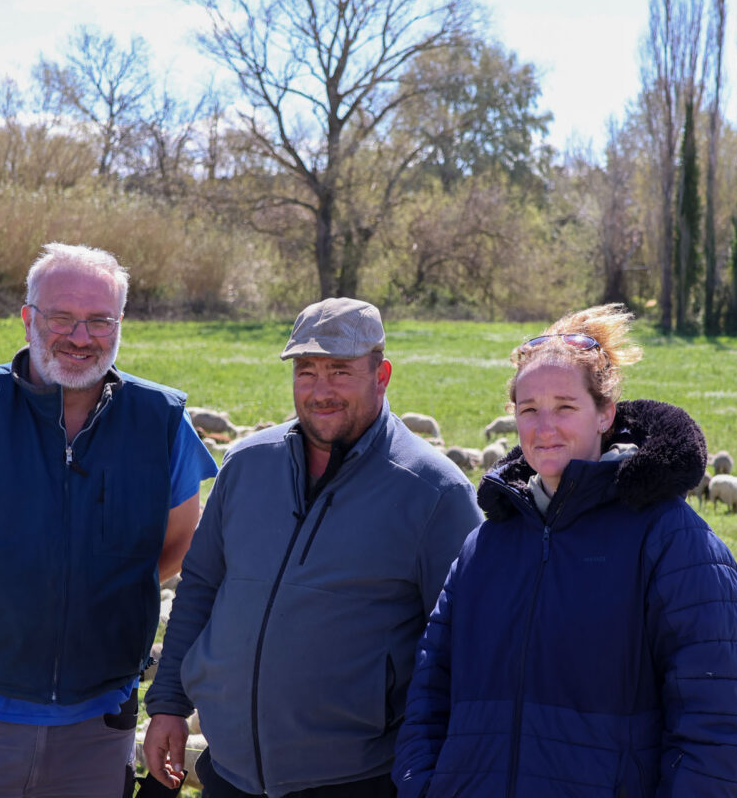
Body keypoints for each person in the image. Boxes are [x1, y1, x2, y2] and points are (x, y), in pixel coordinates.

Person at [0, 243, 218, 798]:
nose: (81, 337)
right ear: (29, 317)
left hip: (99, 724)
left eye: (100, 320)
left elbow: (177, 545)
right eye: (62, 317)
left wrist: (91, 601)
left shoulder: (161, 423)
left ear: (120, 324)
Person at [392, 304, 737, 797]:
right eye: (529, 410)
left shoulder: (671, 541)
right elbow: (431, 691)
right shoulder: (486, 544)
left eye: (565, 407)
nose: (545, 429)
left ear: (605, 413)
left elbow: (714, 725)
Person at [141, 297, 484, 797]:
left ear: (381, 374)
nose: (321, 391)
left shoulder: (435, 492)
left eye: (340, 371)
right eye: (306, 371)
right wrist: (169, 702)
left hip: (357, 779)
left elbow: (463, 646)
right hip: (230, 770)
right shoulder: (247, 464)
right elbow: (199, 587)